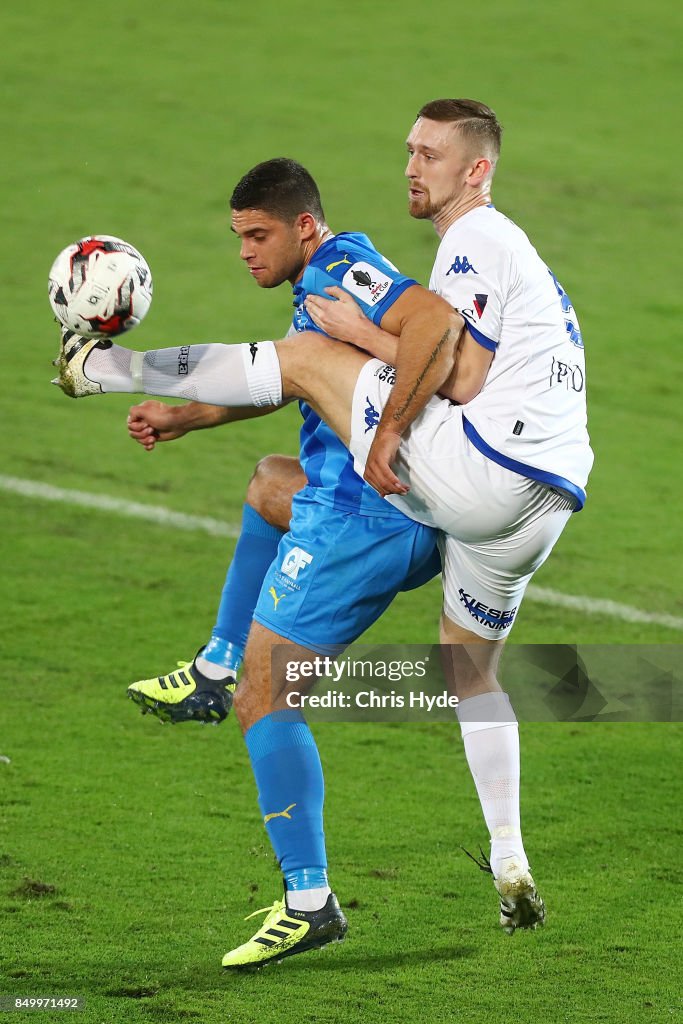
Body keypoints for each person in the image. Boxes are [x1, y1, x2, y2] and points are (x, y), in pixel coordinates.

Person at [52, 99, 593, 963]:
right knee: (286, 497)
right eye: (407, 148)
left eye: (428, 153)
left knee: (271, 694)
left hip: (420, 497)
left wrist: (369, 381)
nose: (410, 165)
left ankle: (309, 899)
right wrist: (194, 417)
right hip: (543, 502)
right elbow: (320, 378)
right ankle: (508, 859)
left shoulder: (460, 241)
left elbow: (447, 359)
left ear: (476, 168)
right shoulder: (482, 262)